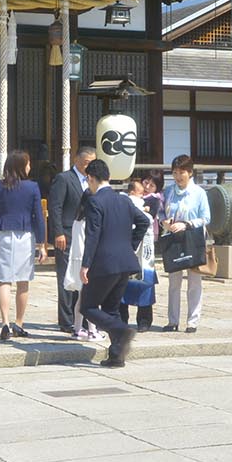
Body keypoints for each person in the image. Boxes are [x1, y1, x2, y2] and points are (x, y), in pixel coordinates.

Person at [78, 160, 150, 367]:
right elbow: (144, 221)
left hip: (104, 263)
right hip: (125, 262)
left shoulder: (94, 201)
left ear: (91, 178)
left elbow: (93, 235)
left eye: (88, 180)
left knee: (88, 306)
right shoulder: (124, 200)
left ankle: (120, 331)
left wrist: (85, 264)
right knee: (111, 309)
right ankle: (116, 355)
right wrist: (130, 245)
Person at [0, 150, 46, 342]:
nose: (30, 167)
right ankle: (18, 323)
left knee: (4, 280)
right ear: (21, 166)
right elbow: (38, 215)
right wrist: (42, 243)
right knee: (23, 281)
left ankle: (4, 322)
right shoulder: (33, 187)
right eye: (27, 163)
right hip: (25, 233)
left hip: (3, 233)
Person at [160, 154, 212, 333]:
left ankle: (192, 321)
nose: (178, 176)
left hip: (193, 237)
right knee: (174, 281)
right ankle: (172, 320)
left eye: (181, 172)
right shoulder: (168, 191)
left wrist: (187, 224)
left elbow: (206, 217)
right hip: (173, 237)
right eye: (175, 172)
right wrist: (164, 223)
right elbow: (160, 212)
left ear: (190, 173)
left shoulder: (199, 193)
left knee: (194, 281)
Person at [49, 147, 98, 334]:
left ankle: (85, 318)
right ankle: (66, 319)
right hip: (68, 233)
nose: (88, 166)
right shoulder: (64, 178)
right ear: (77, 160)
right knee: (66, 275)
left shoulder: (92, 180)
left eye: (91, 163)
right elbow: (56, 207)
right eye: (86, 163)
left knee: (84, 276)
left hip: (87, 234)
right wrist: (58, 232)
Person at [121, 174, 159, 330]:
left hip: (145, 249)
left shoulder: (153, 201)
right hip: (126, 245)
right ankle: (121, 318)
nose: (143, 191)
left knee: (145, 282)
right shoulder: (123, 200)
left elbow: (149, 218)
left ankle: (144, 320)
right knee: (122, 283)